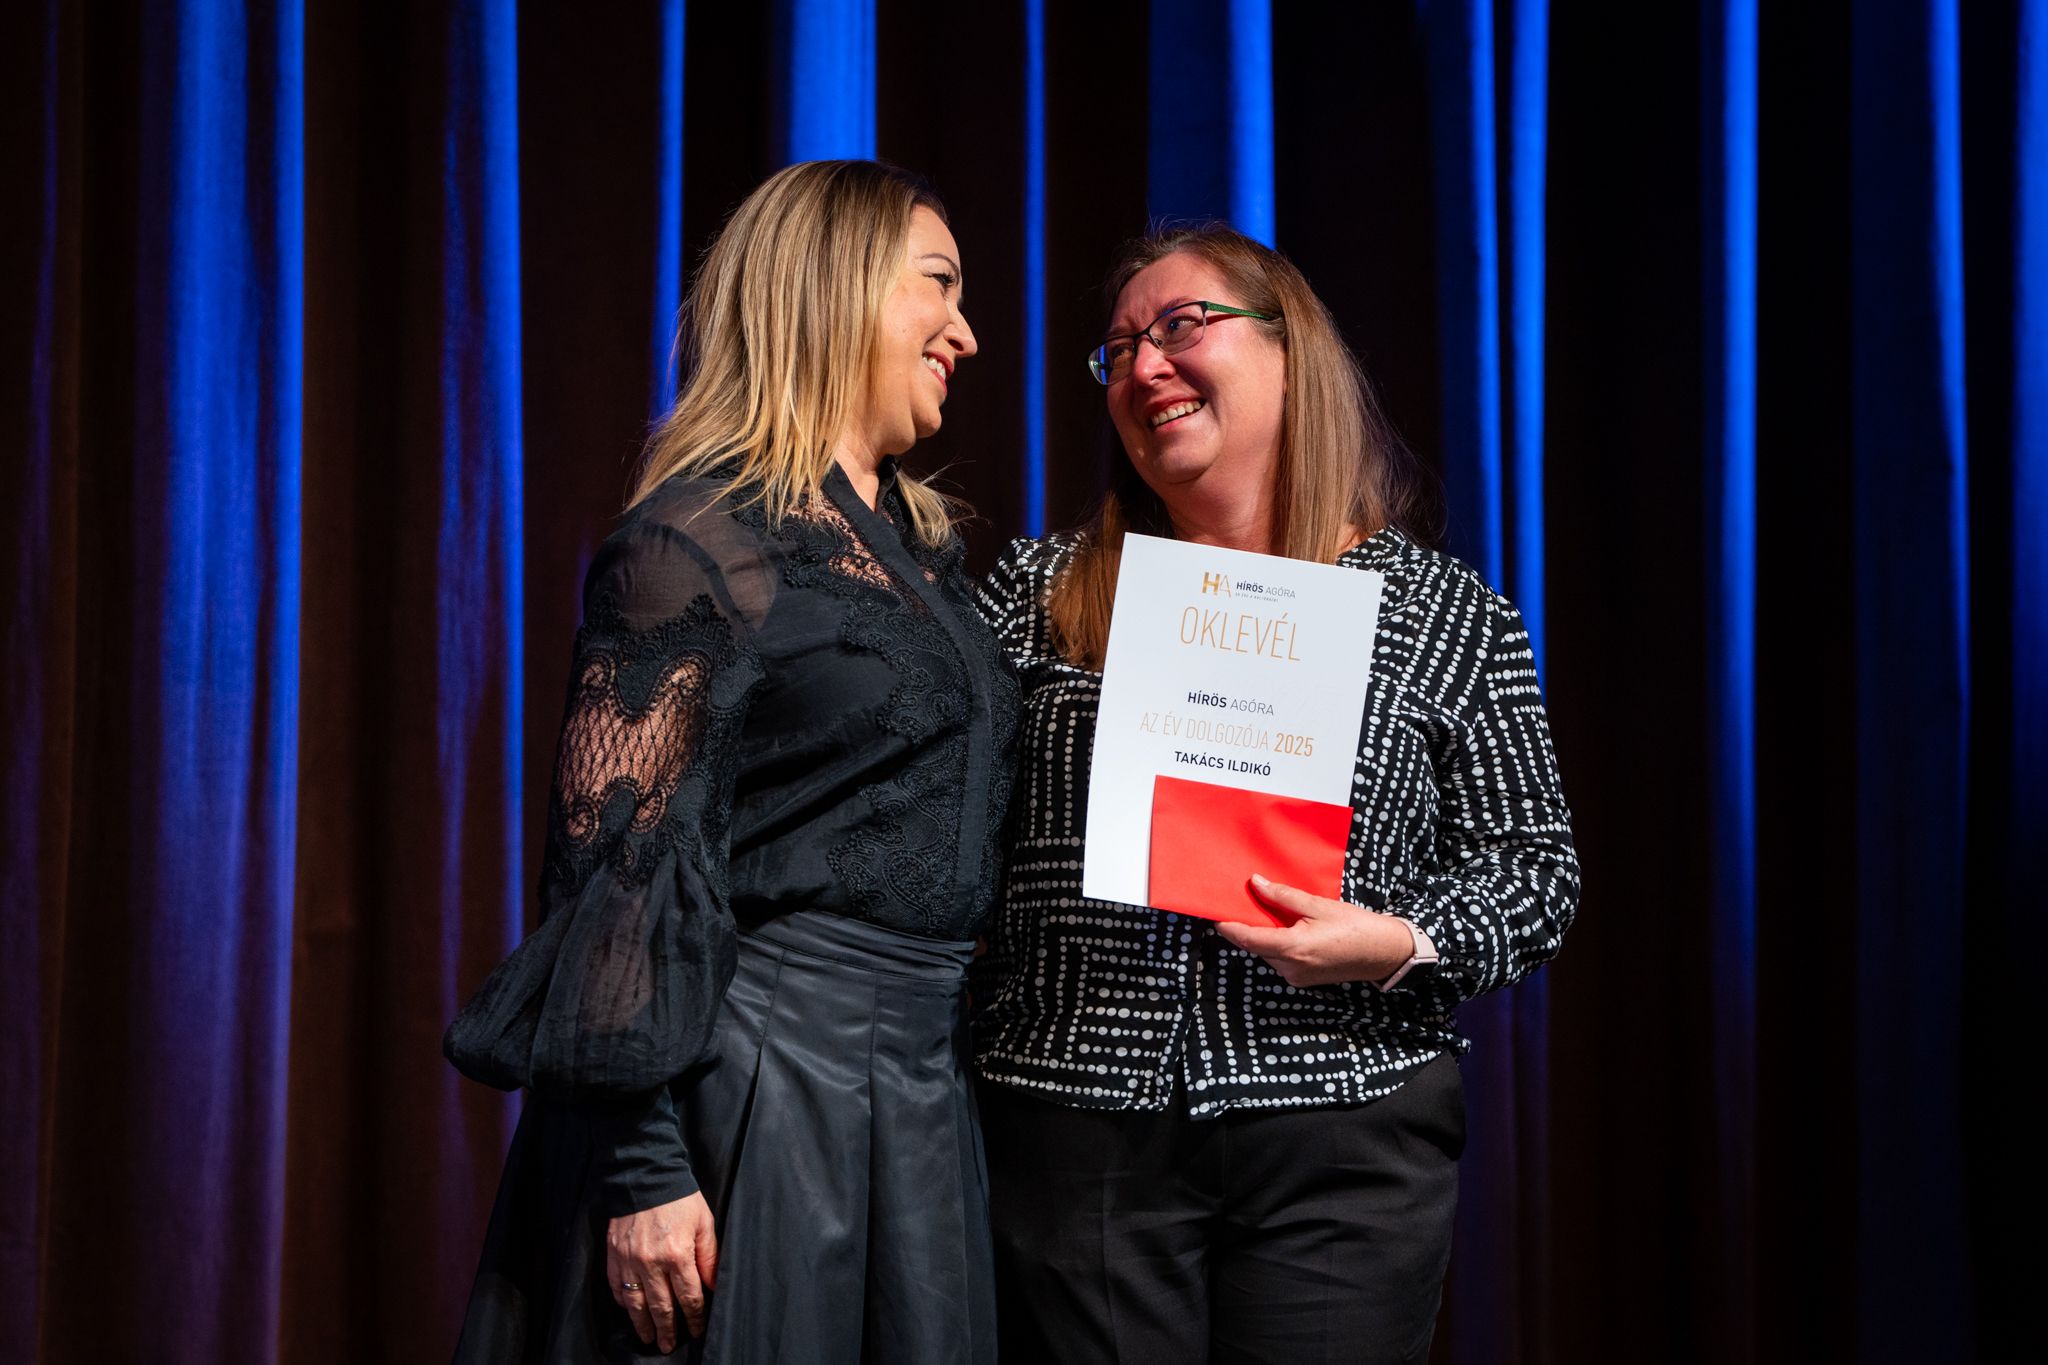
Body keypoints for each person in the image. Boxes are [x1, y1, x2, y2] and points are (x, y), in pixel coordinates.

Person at [971, 224, 1580, 1363]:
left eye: (1181, 326)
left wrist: (1394, 939)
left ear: (1290, 349)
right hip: (1075, 1124)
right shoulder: (1036, 593)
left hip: (1341, 1128)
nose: (1144, 365)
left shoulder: (1444, 613)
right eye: (1119, 350)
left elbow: (1533, 872)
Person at [444, 160, 1017, 1365]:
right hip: (758, 1075)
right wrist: (642, 1166)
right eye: (938, 284)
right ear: (832, 289)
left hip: (919, 1084)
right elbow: (612, 870)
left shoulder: (919, 554)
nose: (965, 332)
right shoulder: (699, 539)